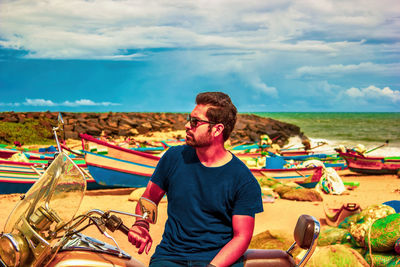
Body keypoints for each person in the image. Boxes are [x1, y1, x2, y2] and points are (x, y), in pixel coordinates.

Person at [128, 92, 263, 267]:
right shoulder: (174, 158)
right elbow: (149, 198)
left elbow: (242, 237)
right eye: (188, 119)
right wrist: (141, 224)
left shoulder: (243, 180)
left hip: (218, 261)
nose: (186, 125)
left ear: (217, 129)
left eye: (195, 122)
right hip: (170, 256)